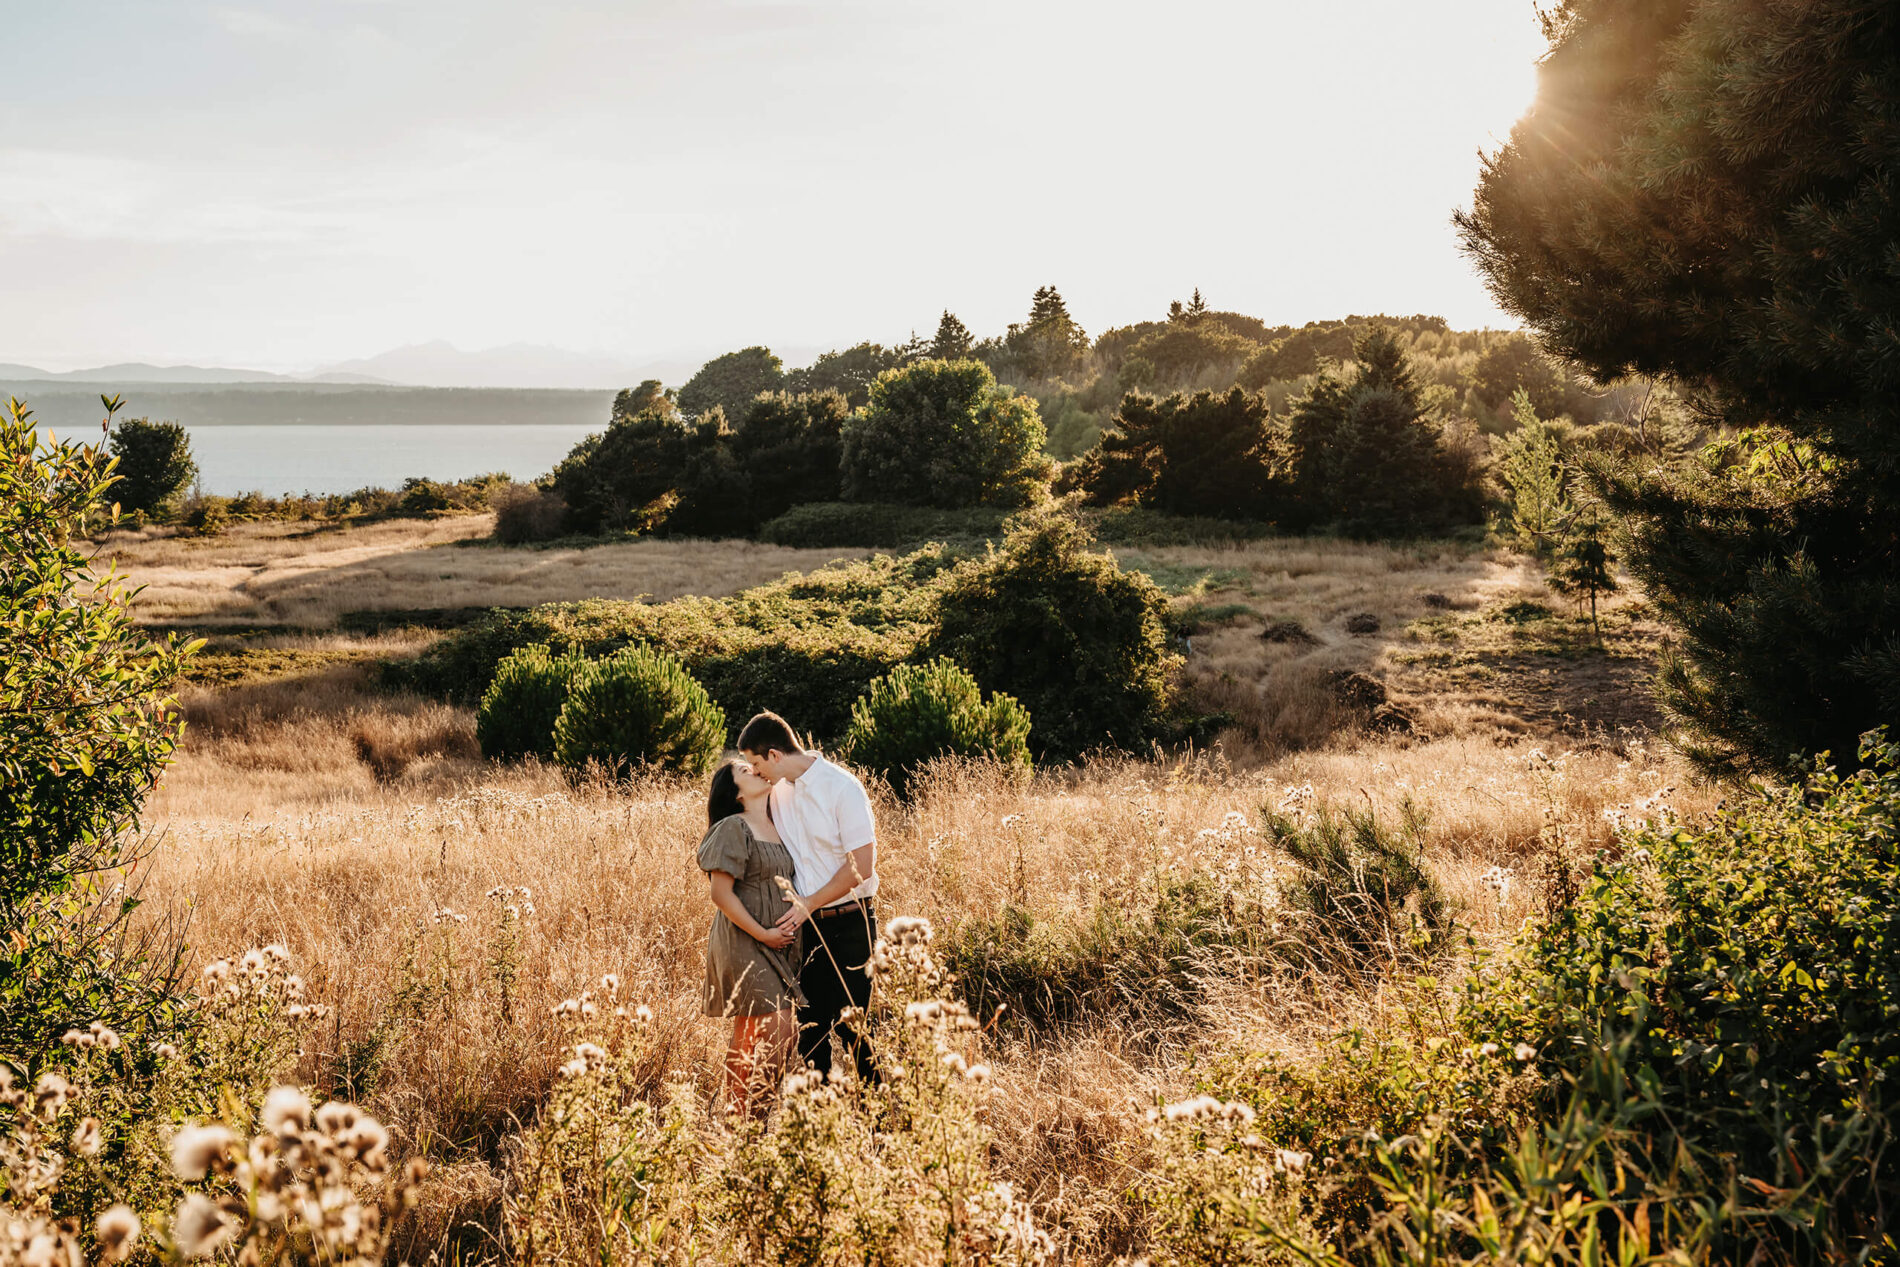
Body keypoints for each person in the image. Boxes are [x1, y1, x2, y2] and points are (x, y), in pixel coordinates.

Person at [737, 710, 880, 1083]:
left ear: (775, 755)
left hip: (851, 924)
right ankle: (820, 1123)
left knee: (858, 1033)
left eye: (756, 763)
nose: (755, 772)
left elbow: (861, 866)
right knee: (810, 1034)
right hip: (804, 931)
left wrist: (808, 904)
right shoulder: (776, 792)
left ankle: (881, 1132)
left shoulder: (842, 788)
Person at [697, 757, 806, 1116]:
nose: (755, 770)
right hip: (746, 940)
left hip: (778, 944)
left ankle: (740, 1125)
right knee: (780, 1028)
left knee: (751, 1031)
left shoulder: (779, 825)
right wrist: (764, 933)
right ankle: (747, 1118)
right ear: (736, 792)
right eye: (744, 771)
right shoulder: (733, 826)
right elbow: (720, 894)